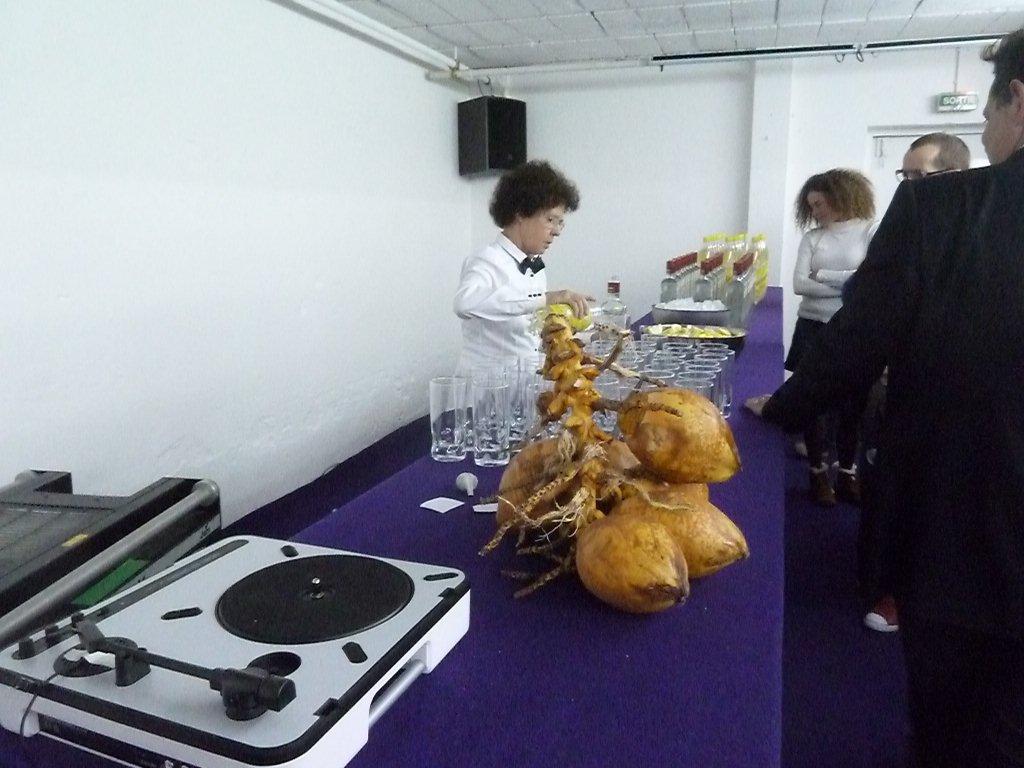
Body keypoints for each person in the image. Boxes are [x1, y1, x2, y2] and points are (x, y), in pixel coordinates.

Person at [754, 30, 1024, 766]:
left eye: (987, 115)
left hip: (966, 519)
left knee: (955, 720)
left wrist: (779, 409)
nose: (987, 133)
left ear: (1016, 100)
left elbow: (857, 343)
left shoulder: (940, 209)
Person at [859, 132, 971, 634]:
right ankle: (890, 584)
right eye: (904, 176)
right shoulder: (911, 226)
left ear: (956, 176)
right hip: (911, 383)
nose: (909, 187)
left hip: (963, 392)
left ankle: (911, 594)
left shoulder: (980, 229)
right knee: (897, 488)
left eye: (919, 176)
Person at [783, 169, 876, 507]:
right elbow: (799, 284)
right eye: (811, 206)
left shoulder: (870, 230)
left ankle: (848, 472)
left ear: (840, 198)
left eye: (819, 204)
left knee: (854, 404)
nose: (815, 212)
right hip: (812, 326)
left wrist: (822, 274)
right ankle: (818, 472)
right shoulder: (812, 238)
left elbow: (869, 281)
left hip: (852, 328)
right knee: (813, 404)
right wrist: (847, 284)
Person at [453, 160, 592, 375]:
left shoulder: (535, 265)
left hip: (527, 384)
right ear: (520, 213)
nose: (557, 231)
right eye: (550, 219)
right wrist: (546, 298)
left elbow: (527, 329)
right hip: (485, 389)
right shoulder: (486, 259)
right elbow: (465, 303)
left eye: (560, 222)